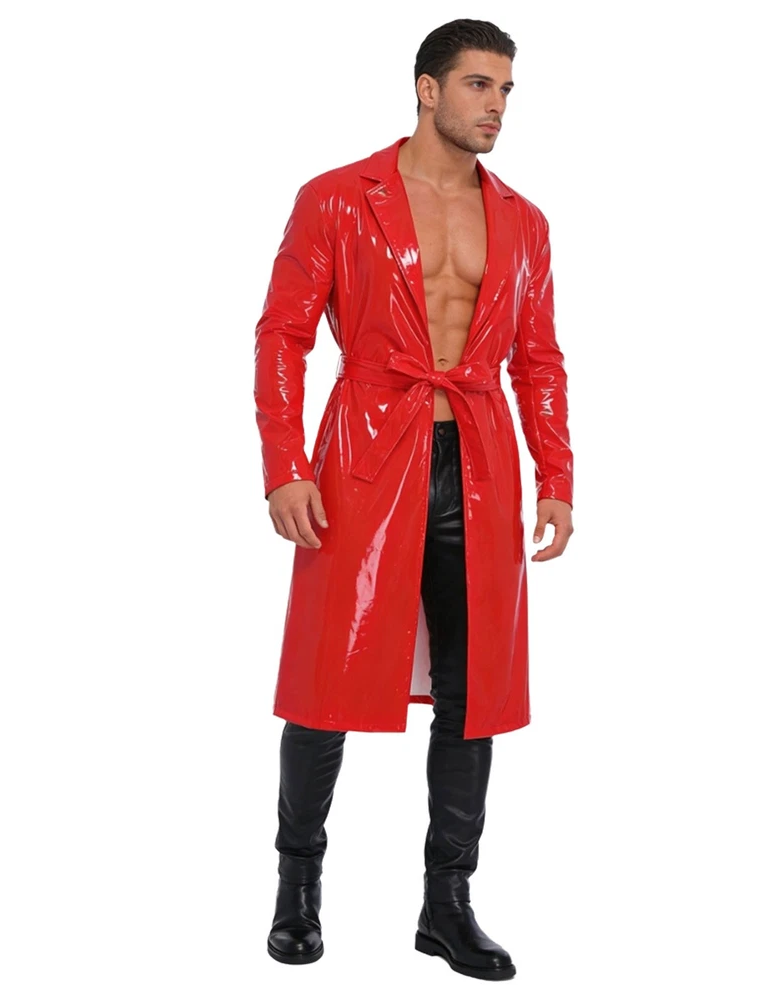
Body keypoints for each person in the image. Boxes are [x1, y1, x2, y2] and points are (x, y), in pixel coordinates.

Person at [254, 18, 574, 981]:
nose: (497, 106)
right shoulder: (336, 197)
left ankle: (447, 904)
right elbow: (282, 335)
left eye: (507, 90)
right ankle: (297, 888)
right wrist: (284, 464)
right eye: (479, 85)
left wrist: (556, 476)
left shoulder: (523, 221)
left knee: (474, 698)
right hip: (361, 460)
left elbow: (538, 359)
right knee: (327, 679)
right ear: (427, 89)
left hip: (477, 463)